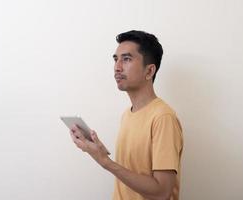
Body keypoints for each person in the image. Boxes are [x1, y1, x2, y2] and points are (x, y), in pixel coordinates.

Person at [70, 30, 184, 200]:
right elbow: (132, 173)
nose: (117, 67)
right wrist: (99, 152)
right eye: (116, 59)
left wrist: (106, 162)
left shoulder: (163, 117)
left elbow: (161, 192)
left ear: (149, 71)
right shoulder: (127, 115)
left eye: (127, 59)